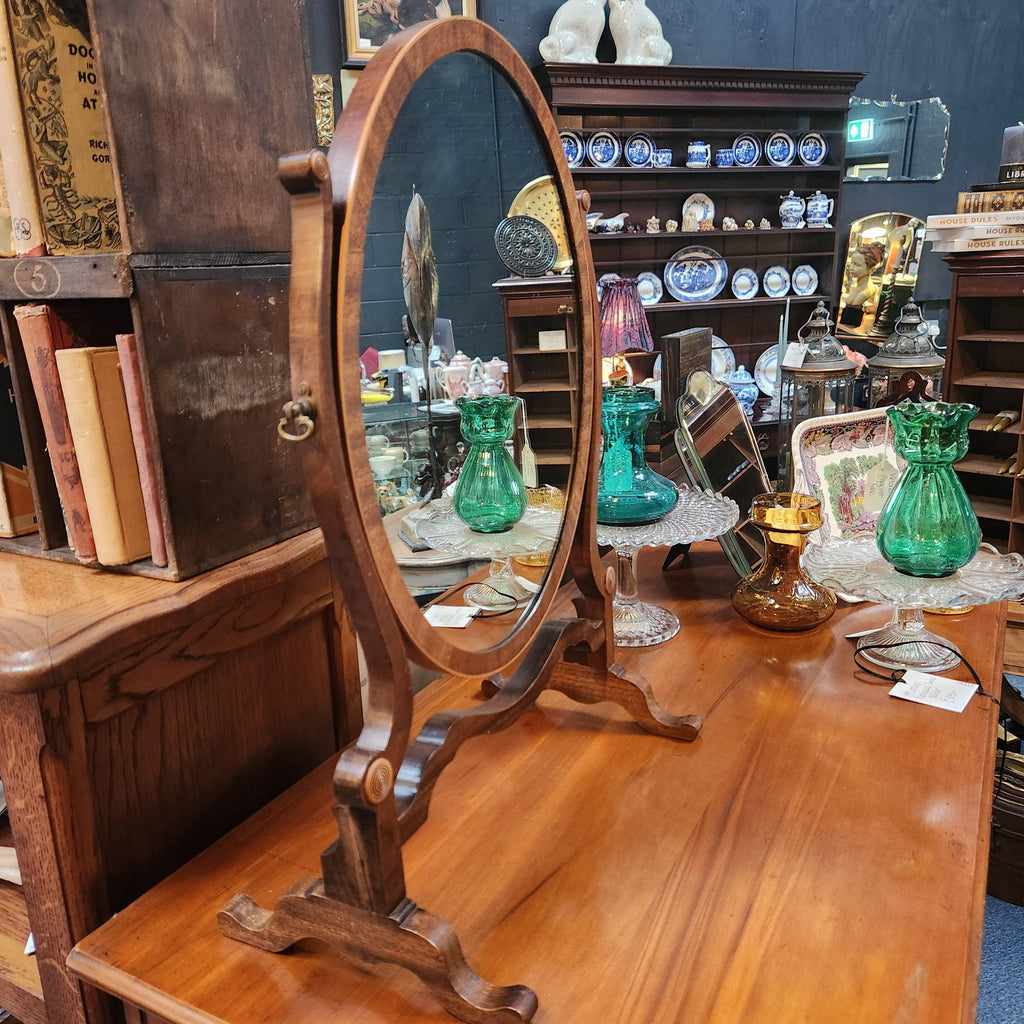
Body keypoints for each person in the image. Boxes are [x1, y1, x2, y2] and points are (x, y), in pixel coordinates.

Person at [839, 243, 882, 328]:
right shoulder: (855, 286)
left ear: (871, 269)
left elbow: (855, 302)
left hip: (853, 327)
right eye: (851, 263)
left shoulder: (866, 291)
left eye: (857, 265)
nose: (851, 267)